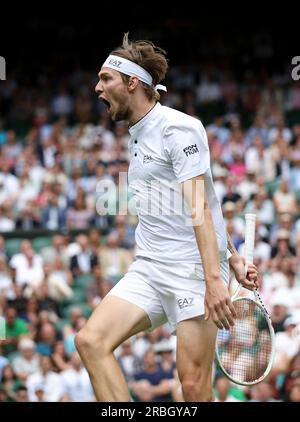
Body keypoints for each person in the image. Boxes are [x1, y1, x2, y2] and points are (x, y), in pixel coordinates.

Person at [75, 33, 258, 402]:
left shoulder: (179, 128)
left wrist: (216, 276)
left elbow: (200, 207)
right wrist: (235, 255)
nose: (97, 88)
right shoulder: (137, 134)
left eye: (105, 78)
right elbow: (194, 200)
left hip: (192, 271)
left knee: (192, 388)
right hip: (150, 266)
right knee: (90, 341)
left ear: (132, 83)